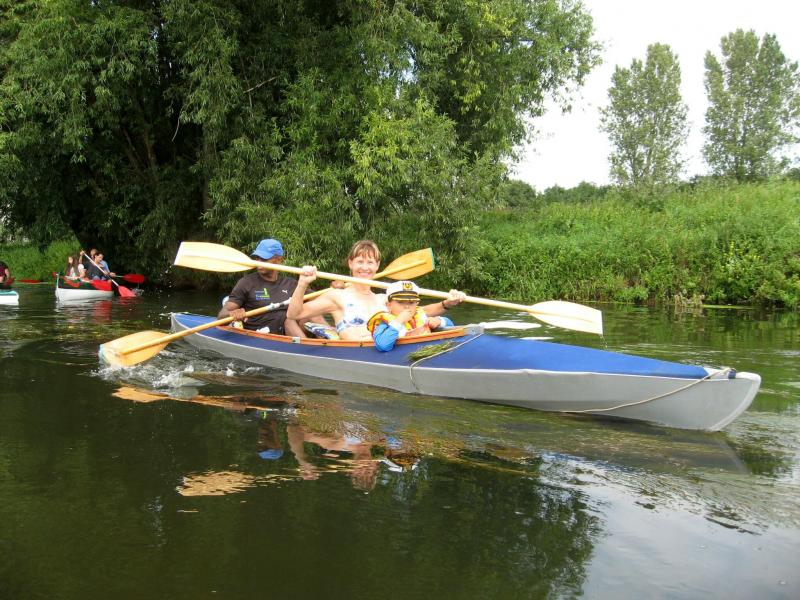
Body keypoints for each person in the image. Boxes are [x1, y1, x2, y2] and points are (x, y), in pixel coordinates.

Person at [287, 239, 465, 341]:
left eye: (370, 262)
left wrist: (447, 303)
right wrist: (302, 283)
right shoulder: (336, 296)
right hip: (357, 354)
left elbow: (418, 311)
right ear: (350, 263)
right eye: (360, 261)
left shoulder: (383, 299)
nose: (365, 267)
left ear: (377, 266)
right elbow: (294, 314)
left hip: (387, 346)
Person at [217, 238, 316, 336]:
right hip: (260, 335)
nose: (259, 262)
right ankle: (305, 345)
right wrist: (233, 314)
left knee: (313, 313)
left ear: (279, 260)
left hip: (287, 333)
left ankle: (324, 341)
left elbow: (319, 301)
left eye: (264, 259)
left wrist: (328, 288)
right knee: (288, 320)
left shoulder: (291, 284)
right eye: (257, 258)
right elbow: (221, 316)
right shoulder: (246, 283)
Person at [367, 281, 456, 351]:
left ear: (416, 304)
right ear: (388, 305)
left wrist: (440, 321)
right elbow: (382, 345)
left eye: (411, 302)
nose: (407, 306)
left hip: (425, 351)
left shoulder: (420, 316)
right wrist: (399, 321)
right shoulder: (384, 323)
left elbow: (451, 326)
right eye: (400, 302)